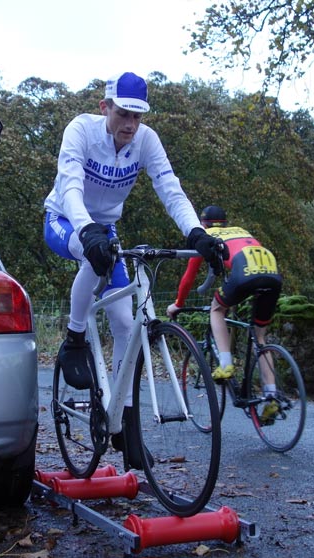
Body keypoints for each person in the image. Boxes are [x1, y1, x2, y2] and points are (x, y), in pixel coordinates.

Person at [43, 72, 224, 469]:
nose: (130, 124)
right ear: (105, 107)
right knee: (92, 253)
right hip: (65, 219)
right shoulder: (81, 131)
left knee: (126, 324)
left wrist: (196, 233)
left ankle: (125, 424)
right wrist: (86, 228)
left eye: (137, 117)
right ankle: (75, 337)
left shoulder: (146, 140)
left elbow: (169, 187)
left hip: (105, 229)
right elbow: (70, 184)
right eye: (123, 113)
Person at [166, 205, 283, 423]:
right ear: (225, 223)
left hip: (245, 274)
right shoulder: (241, 231)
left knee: (217, 309)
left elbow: (189, 277)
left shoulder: (206, 237)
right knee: (259, 337)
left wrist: (178, 304)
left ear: (203, 224)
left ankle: (226, 364)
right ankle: (271, 396)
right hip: (272, 273)